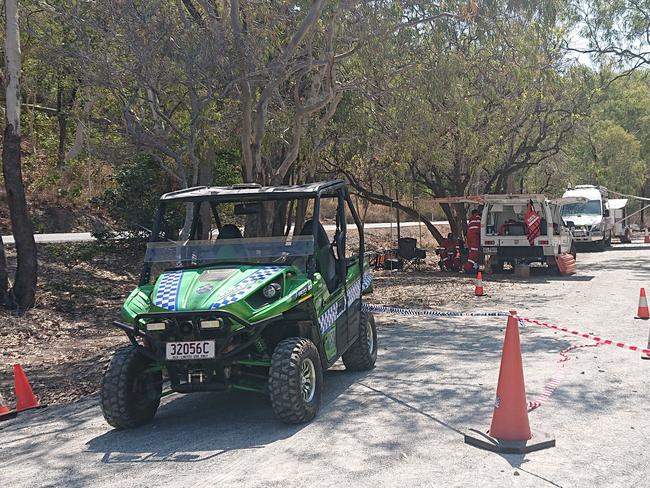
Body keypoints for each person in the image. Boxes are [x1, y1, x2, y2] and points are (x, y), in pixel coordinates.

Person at [463, 208, 482, 272]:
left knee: (472, 252)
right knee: (474, 253)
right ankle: (468, 267)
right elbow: (480, 228)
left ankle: (474, 266)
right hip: (475, 236)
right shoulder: (478, 218)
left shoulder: (471, 219)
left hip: (469, 236)